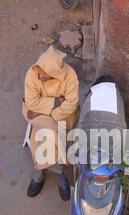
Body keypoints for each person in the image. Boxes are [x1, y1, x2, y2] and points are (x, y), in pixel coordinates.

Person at [22, 46, 79, 201]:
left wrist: (47, 112)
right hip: (36, 113)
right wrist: (55, 101)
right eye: (39, 71)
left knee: (47, 136)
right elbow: (32, 103)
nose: (39, 75)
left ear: (54, 74)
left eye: (43, 74)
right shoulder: (32, 73)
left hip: (62, 115)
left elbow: (71, 105)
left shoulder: (70, 76)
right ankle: (59, 173)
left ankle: (40, 173)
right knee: (50, 135)